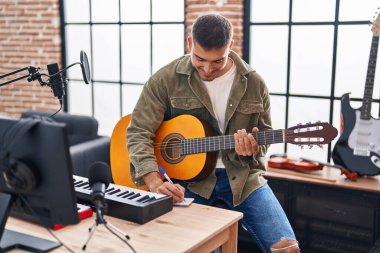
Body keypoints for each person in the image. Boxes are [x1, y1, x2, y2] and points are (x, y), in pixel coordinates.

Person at [126, 13, 299, 253]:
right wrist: (154, 180)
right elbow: (138, 131)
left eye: (217, 61)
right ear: (189, 43)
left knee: (287, 249)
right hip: (188, 182)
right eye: (199, 59)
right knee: (193, 248)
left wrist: (251, 149)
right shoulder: (164, 80)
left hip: (243, 179)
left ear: (231, 46)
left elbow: (265, 137)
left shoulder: (254, 83)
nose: (207, 69)